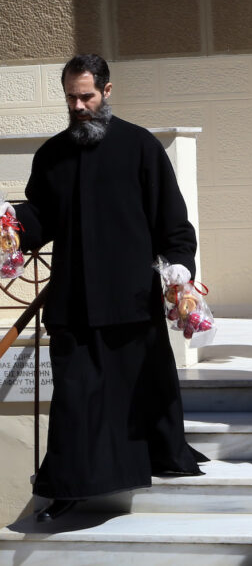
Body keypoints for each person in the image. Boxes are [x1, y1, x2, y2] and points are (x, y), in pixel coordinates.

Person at [1, 54, 206, 522]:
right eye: (71, 97)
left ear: (107, 92)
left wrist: (180, 266)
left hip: (130, 298)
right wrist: (12, 223)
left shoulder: (140, 147)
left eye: (86, 96)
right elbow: (40, 217)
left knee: (138, 395)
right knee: (75, 399)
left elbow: (172, 222)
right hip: (73, 300)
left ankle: (155, 459)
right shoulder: (51, 154)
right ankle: (69, 488)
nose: (77, 105)